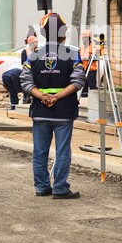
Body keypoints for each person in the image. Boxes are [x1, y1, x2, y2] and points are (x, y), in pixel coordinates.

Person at [20, 12, 86, 199]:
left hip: (41, 111)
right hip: (63, 113)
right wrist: (56, 97)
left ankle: (42, 187)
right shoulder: (72, 54)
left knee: (40, 152)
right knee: (63, 151)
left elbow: (25, 81)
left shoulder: (34, 55)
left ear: (43, 34)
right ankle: (60, 188)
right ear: (63, 35)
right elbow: (78, 81)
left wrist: (42, 96)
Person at [2, 34, 38, 110]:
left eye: (37, 42)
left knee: (18, 92)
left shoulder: (36, 51)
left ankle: (19, 105)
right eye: (35, 42)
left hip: (33, 72)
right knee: (20, 91)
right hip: (27, 72)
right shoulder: (25, 51)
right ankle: (20, 106)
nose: (36, 44)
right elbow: (24, 64)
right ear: (31, 43)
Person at [79, 29, 97, 97]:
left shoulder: (93, 46)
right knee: (84, 86)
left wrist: (88, 58)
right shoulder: (82, 47)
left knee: (92, 86)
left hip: (91, 70)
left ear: (88, 38)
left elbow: (96, 57)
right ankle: (84, 98)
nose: (83, 39)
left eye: (84, 37)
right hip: (83, 69)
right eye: (82, 37)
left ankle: (93, 100)